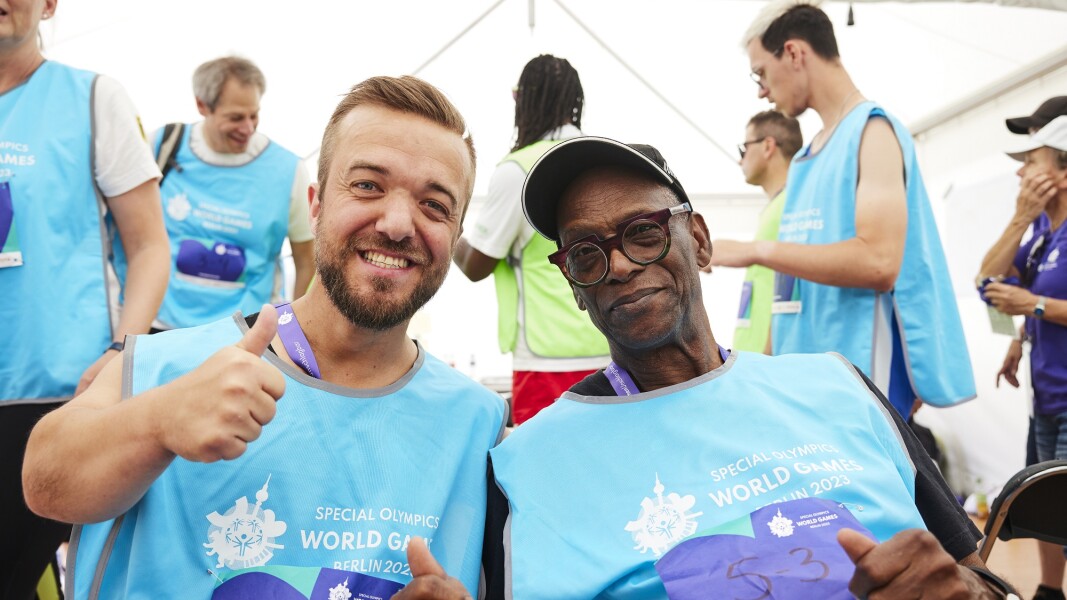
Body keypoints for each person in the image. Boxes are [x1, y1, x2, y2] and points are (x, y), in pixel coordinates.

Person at [23, 76, 507, 599]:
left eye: (435, 205)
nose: (396, 223)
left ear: (456, 235)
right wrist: (158, 420)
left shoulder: (478, 429)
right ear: (316, 203)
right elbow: (44, 483)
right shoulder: (168, 365)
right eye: (368, 185)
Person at [481, 136, 1016, 599]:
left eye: (644, 232)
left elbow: (981, 579)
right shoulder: (531, 463)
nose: (618, 264)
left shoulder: (838, 385)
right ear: (575, 286)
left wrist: (966, 590)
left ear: (700, 241)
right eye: (585, 253)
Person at [709, 0, 974, 418]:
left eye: (761, 71)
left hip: (861, 379)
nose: (761, 89)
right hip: (808, 382)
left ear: (794, 53)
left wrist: (755, 250)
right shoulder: (804, 159)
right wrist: (768, 368)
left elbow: (879, 262)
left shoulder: (873, 129)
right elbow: (788, 292)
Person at [0, 0, 170, 597]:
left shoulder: (93, 99)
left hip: (51, 397)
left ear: (49, 5)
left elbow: (149, 245)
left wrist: (125, 348)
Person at [453, 54, 608, 424]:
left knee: (544, 474)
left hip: (547, 358)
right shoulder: (601, 157)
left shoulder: (519, 170)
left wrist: (452, 226)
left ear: (522, 100)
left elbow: (477, 265)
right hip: (612, 346)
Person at [120, 56, 315, 331]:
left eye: (254, 115)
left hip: (245, 333)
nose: (247, 128)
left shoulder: (288, 170)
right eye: (235, 117)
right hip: (160, 327)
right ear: (202, 105)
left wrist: (299, 331)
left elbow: (307, 258)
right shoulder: (162, 145)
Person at [980, 115, 1067, 600]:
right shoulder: (1039, 230)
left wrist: (1033, 306)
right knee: (1051, 513)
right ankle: (1050, 592)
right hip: (1047, 397)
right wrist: (1018, 218)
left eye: (1031, 162)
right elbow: (987, 282)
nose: (1020, 173)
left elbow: (1028, 297)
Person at [720, 110, 801, 354]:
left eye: (744, 148)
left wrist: (768, 359)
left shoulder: (792, 204)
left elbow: (791, 292)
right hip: (755, 362)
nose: (740, 160)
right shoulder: (777, 206)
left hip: (767, 365)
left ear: (768, 146)